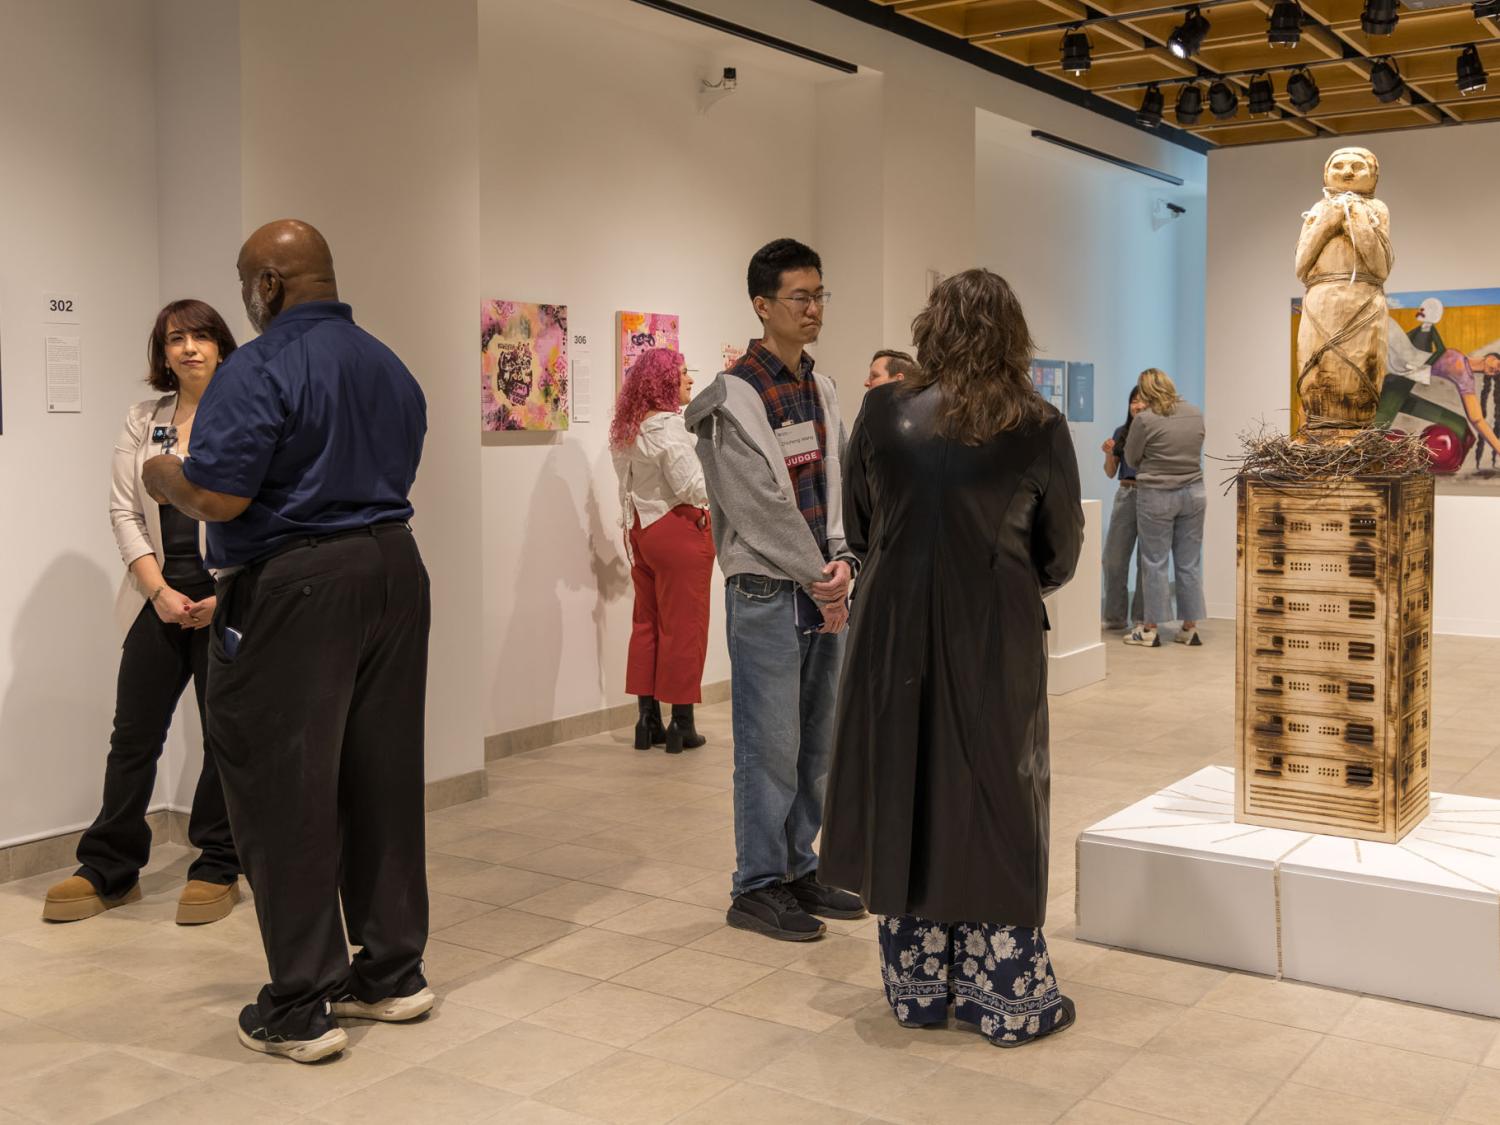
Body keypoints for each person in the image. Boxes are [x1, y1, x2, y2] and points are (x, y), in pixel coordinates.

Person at [142, 219, 431, 1064]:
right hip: (395, 569)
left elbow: (219, 498)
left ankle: (300, 1002)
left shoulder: (259, 367)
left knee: (283, 787)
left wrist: (166, 473)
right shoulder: (389, 363)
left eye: (244, 284)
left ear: (267, 285)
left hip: (298, 583)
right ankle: (392, 972)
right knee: (381, 776)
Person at [820, 268, 1084, 1047]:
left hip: (891, 625)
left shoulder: (882, 410)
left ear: (932, 326)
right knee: (996, 787)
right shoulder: (1035, 423)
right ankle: (1004, 990)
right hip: (991, 628)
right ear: (1013, 331)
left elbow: (860, 527)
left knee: (907, 778)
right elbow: (1060, 549)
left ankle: (919, 982)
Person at [684, 237, 866, 942]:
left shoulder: (821, 387)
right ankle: (756, 883)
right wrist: (822, 577)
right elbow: (758, 504)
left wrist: (843, 557)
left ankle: (797, 865)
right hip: (767, 595)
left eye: (819, 294)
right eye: (800, 296)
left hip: (822, 591)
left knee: (815, 740)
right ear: (763, 305)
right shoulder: (732, 397)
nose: (814, 307)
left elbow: (837, 481)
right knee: (769, 743)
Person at [42, 300, 243, 927]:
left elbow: (260, 510)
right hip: (155, 600)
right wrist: (158, 591)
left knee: (226, 739)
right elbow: (124, 511)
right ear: (161, 354)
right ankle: (109, 867)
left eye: (201, 336)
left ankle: (217, 862)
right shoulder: (143, 419)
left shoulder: (247, 414)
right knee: (132, 737)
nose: (188, 348)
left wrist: (224, 592)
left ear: (220, 344)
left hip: (225, 601)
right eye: (174, 338)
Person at [611, 347, 714, 754]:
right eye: (683, 373)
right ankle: (680, 726)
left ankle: (646, 720)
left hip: (641, 533)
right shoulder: (669, 428)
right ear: (664, 381)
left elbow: (627, 487)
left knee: (646, 625)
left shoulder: (629, 427)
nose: (689, 380)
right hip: (677, 532)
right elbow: (693, 487)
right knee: (684, 628)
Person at [1123, 368, 1206, 648]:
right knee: (1189, 563)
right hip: (1194, 493)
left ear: (1145, 391)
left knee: (1155, 562)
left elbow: (1132, 458)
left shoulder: (1145, 420)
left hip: (1157, 494)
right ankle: (1189, 628)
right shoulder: (1195, 412)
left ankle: (1150, 629)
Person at [1101, 387, 1146, 632]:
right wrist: (1109, 454)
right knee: (1113, 559)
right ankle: (1115, 618)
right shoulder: (1121, 432)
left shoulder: (1156, 432)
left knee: (1146, 561)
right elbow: (1110, 472)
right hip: (1126, 493)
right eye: (1134, 401)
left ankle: (1142, 617)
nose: (1137, 406)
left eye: (1142, 402)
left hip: (1152, 495)